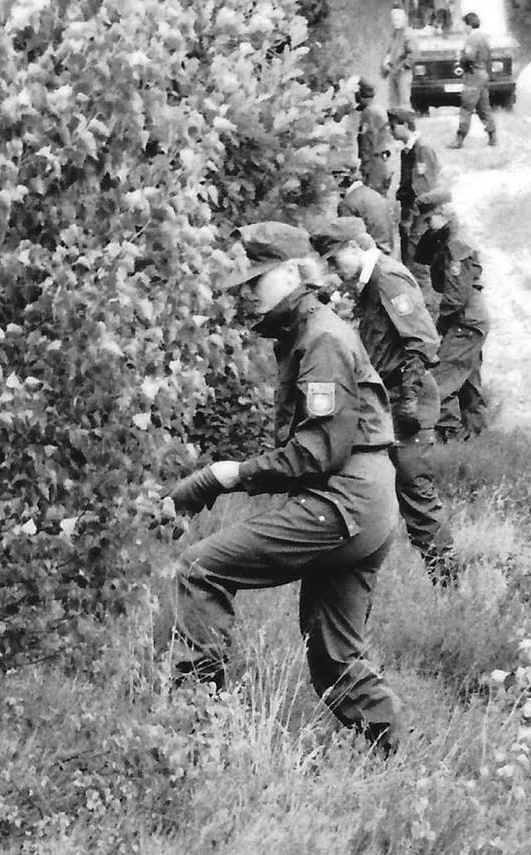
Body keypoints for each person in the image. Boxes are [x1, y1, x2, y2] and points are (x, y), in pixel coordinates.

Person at [167, 222, 404, 752]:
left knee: (199, 568)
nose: (249, 293)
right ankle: (392, 759)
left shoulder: (321, 338)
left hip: (344, 503)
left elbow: (318, 451)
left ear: (295, 271)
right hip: (364, 504)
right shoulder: (306, 333)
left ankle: (199, 728)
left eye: (258, 280)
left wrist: (224, 475)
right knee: (334, 657)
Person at [311, 217, 461, 586]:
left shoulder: (388, 278)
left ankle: (448, 584)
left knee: (416, 495)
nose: (334, 269)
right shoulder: (368, 282)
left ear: (354, 249)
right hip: (388, 401)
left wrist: (408, 399)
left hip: (404, 401)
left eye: (335, 260)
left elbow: (422, 342)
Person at [413, 188, 489, 441]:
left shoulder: (456, 246)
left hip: (464, 321)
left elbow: (455, 298)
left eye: (429, 219)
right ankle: (476, 433)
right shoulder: (446, 238)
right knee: (467, 380)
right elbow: (420, 256)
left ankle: (448, 436)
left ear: (443, 214)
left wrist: (438, 328)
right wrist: (434, 232)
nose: (425, 224)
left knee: (441, 379)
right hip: (471, 320)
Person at [390, 107, 442, 280]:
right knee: (409, 258)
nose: (390, 131)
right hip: (411, 213)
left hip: (419, 216)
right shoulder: (410, 148)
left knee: (417, 263)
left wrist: (411, 218)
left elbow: (423, 188)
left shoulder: (421, 149)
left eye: (393, 126)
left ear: (404, 125)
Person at [333, 154, 398, 257]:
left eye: (334, 177)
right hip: (386, 256)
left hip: (368, 258)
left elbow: (349, 241)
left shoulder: (347, 204)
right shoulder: (376, 195)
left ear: (341, 178)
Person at [451, 10, 498, 149]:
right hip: (483, 73)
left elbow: (469, 57)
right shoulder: (484, 38)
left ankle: (459, 140)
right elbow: (490, 57)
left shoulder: (472, 39)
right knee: (484, 108)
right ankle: (492, 136)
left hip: (473, 75)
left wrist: (461, 62)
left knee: (466, 108)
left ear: (468, 25)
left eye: (464, 25)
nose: (463, 28)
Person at [354, 82, 395, 196]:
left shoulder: (368, 112)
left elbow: (368, 138)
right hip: (381, 157)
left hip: (373, 159)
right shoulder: (380, 109)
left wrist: (365, 161)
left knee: (373, 193)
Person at [381, 4, 413, 110]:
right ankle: (395, 124)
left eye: (398, 19)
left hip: (403, 72)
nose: (396, 21)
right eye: (394, 19)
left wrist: (404, 67)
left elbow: (413, 54)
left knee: (404, 100)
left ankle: (405, 123)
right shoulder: (395, 34)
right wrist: (386, 61)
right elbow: (391, 51)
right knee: (393, 100)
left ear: (403, 19)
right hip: (393, 71)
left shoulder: (408, 34)